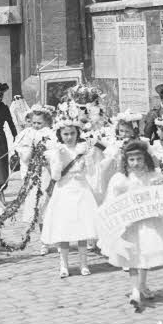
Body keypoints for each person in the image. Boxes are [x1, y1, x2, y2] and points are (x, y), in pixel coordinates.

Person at [96, 140, 163, 311]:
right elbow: (112, 202)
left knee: (145, 253)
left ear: (145, 159)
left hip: (148, 223)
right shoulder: (120, 179)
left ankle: (142, 284)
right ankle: (134, 289)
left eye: (139, 159)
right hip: (129, 224)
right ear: (126, 161)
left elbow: (161, 196)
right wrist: (119, 221)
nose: (136, 163)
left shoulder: (153, 176)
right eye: (131, 160)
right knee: (132, 255)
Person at [41, 110, 102, 278]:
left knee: (82, 228)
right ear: (60, 135)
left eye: (72, 133)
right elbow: (55, 176)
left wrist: (88, 158)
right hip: (64, 190)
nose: (69, 137)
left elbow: (90, 172)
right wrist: (58, 159)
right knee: (64, 229)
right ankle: (64, 265)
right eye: (65, 134)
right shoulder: (57, 151)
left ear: (77, 134)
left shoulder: (83, 149)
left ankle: (83, 264)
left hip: (81, 189)